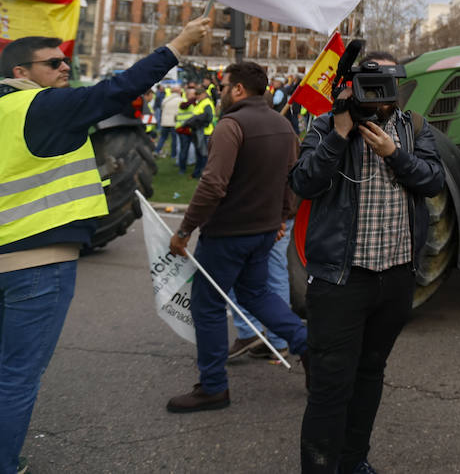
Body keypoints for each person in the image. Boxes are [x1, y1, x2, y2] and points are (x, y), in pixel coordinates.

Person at [0, 16, 210, 473]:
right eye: (52, 63)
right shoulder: (43, 106)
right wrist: (177, 45)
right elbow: (115, 90)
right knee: (17, 377)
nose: (64, 68)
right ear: (20, 74)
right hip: (39, 264)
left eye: (66, 60)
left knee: (3, 366)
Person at [289, 51, 445, 474]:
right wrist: (340, 136)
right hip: (340, 282)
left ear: (398, 88)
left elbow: (434, 181)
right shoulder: (325, 125)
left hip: (394, 280)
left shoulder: (413, 129)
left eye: (384, 87)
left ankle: (353, 461)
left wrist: (395, 153)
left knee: (371, 374)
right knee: (330, 386)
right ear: (351, 85)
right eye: (367, 86)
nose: (376, 97)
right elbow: (303, 182)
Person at [166, 61, 310, 413]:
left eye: (223, 87)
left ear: (239, 90)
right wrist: (280, 218)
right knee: (256, 293)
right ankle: (309, 343)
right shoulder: (283, 125)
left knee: (208, 304)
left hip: (228, 233)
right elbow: (293, 178)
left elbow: (213, 184)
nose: (219, 93)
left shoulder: (231, 125)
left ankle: (213, 386)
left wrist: (185, 230)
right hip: (262, 231)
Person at [179, 82, 215, 178]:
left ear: (203, 94)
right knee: (199, 154)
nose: (196, 97)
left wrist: (196, 123)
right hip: (199, 132)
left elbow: (208, 117)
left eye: (198, 95)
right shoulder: (202, 102)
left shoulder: (206, 103)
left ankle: (202, 174)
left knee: (203, 155)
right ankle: (197, 173)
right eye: (196, 95)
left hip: (204, 132)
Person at [157, 84, 183, 158]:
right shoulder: (181, 100)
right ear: (178, 91)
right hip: (174, 122)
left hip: (165, 121)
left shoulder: (166, 99)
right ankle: (173, 154)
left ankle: (157, 150)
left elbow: (161, 107)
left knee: (163, 137)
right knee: (174, 139)